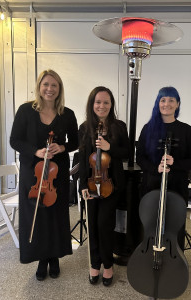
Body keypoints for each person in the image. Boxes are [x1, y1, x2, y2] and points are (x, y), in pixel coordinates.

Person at [10, 69, 78, 281]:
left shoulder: (67, 114)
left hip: (57, 174)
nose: (50, 89)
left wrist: (62, 147)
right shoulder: (25, 110)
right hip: (34, 173)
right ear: (40, 87)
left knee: (56, 216)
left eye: (54, 85)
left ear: (59, 89)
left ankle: (54, 257)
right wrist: (35, 151)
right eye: (46, 84)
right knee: (36, 217)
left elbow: (75, 142)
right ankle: (41, 259)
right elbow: (15, 140)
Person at [136, 86, 191, 250]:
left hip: (177, 186)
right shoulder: (148, 128)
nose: (167, 104)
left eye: (171, 100)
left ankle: (175, 258)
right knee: (150, 224)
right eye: (163, 100)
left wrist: (175, 163)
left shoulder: (186, 130)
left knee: (174, 226)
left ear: (177, 104)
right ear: (158, 103)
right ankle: (149, 257)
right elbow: (140, 158)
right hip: (151, 184)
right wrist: (155, 168)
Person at [78, 86, 129, 286]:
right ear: (92, 104)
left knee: (104, 225)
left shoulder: (119, 126)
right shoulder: (84, 127)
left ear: (111, 105)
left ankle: (108, 264)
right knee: (92, 225)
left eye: (106, 102)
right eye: (98, 102)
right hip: (90, 185)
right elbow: (83, 159)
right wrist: (82, 184)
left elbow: (126, 153)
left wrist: (110, 147)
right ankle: (94, 264)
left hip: (110, 184)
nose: (102, 106)